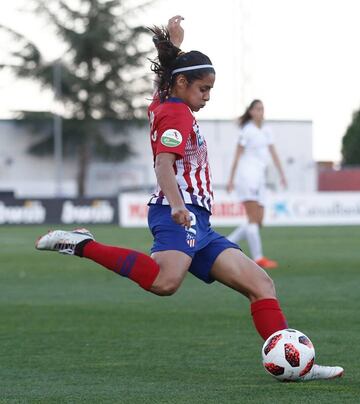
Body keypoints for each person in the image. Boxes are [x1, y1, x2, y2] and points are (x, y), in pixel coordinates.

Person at [35, 16, 343, 381]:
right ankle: (83, 244)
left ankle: (297, 367)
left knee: (261, 284)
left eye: (210, 89)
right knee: (165, 283)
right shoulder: (176, 115)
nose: (207, 97)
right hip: (178, 213)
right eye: (204, 89)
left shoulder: (167, 101)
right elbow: (163, 165)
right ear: (181, 84)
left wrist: (173, 47)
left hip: (200, 220)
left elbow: (168, 82)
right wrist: (179, 205)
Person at [226, 100, 287, 269]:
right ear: (251, 112)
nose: (261, 112)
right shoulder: (247, 131)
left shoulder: (267, 131)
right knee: (253, 220)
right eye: (258, 109)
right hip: (247, 176)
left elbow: (274, 153)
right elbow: (237, 155)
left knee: (258, 221)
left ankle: (225, 244)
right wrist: (231, 179)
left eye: (262, 109)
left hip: (260, 178)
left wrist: (282, 174)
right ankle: (258, 258)